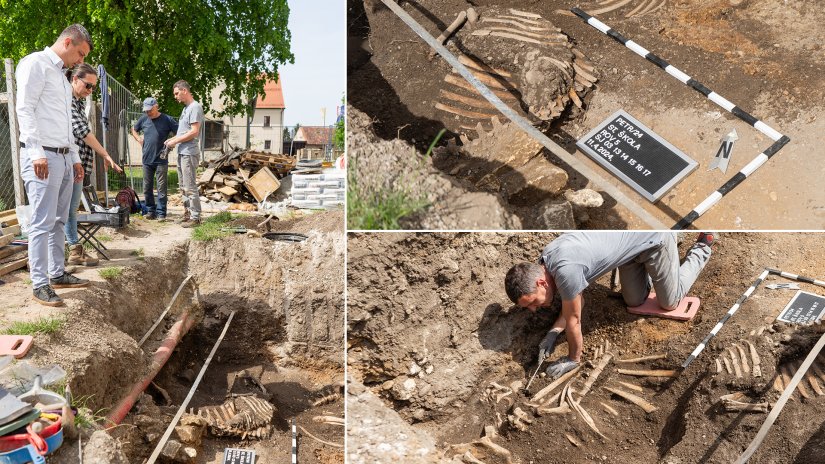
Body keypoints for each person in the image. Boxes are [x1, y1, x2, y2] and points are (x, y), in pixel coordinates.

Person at [504, 232, 715, 379]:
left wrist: (573, 358)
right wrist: (553, 332)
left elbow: (574, 319)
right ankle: (658, 272)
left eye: (532, 302)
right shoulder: (546, 262)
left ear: (541, 283)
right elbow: (577, 302)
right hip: (631, 254)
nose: (533, 309)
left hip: (654, 241)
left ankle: (703, 245)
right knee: (634, 301)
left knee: (670, 302)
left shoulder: (565, 271)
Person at [16, 24, 94, 306]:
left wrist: (74, 158)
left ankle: (57, 272)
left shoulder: (62, 79)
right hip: (43, 156)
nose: (80, 61)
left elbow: (65, 126)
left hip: (62, 156)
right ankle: (39, 284)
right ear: (68, 41)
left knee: (60, 219)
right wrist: (35, 151)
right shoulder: (35, 64)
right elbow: (24, 107)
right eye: (80, 53)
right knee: (41, 221)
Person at [64, 63, 123, 266]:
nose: (90, 91)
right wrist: (105, 154)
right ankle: (70, 250)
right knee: (66, 210)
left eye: (93, 88)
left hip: (78, 164)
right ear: (74, 79)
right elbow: (83, 133)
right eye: (88, 86)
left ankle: (74, 250)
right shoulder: (67, 101)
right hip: (70, 164)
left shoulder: (79, 101)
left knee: (70, 210)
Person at [164, 80, 203, 227]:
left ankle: (196, 217)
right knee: (182, 186)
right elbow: (183, 132)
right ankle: (187, 214)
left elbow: (194, 132)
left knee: (190, 186)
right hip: (182, 152)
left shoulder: (195, 107)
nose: (175, 97)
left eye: (176, 93)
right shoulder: (186, 109)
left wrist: (174, 141)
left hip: (189, 153)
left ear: (184, 90)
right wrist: (172, 140)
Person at [131, 97, 178, 221]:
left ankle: (161, 213)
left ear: (156, 106)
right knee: (147, 187)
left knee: (162, 188)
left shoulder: (167, 119)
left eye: (150, 110)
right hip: (147, 159)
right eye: (146, 110)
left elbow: (179, 132)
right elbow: (134, 129)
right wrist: (138, 139)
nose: (148, 112)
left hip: (161, 159)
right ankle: (151, 211)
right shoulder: (144, 118)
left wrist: (172, 141)